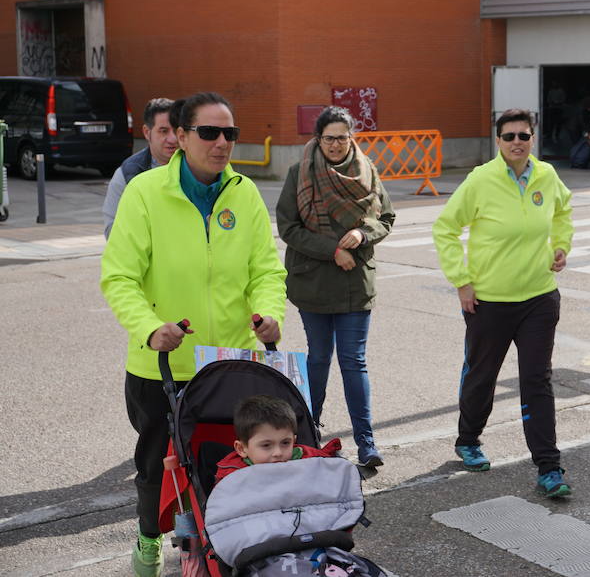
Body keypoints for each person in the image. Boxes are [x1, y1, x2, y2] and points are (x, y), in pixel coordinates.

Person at [100, 91, 287, 577]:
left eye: (230, 133)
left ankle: (214, 553)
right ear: (181, 137)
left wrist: (268, 312)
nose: (222, 142)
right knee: (156, 469)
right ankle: (146, 540)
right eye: (209, 132)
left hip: (230, 362)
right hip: (162, 364)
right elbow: (119, 275)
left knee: (225, 466)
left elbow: (265, 270)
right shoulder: (145, 193)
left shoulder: (243, 192)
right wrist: (149, 328)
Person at [432, 108, 574, 498]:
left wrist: (561, 246)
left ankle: (549, 466)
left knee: (537, 380)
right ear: (498, 141)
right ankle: (469, 439)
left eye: (523, 136)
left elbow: (563, 210)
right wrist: (461, 281)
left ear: (533, 139)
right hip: (489, 301)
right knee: (482, 376)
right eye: (508, 136)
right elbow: (444, 228)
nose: (516, 142)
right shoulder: (481, 180)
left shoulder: (547, 176)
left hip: (539, 297)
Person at [276, 106, 394, 469]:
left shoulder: (367, 170)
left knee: (353, 362)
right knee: (319, 358)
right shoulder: (299, 173)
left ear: (351, 137)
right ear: (318, 139)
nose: (336, 144)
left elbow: (386, 218)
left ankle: (367, 443)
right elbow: (288, 228)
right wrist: (333, 250)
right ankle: (309, 435)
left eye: (343, 137)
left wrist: (360, 234)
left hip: (355, 283)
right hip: (313, 282)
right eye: (329, 138)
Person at [214, 395, 343, 483]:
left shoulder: (305, 458)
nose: (278, 453)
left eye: (286, 443)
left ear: (294, 441)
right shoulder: (233, 477)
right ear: (242, 449)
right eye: (266, 445)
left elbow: (325, 463)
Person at [102, 98, 179, 239]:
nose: (173, 138)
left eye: (176, 130)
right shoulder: (127, 175)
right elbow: (112, 232)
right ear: (146, 132)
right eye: (163, 131)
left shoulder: (198, 170)